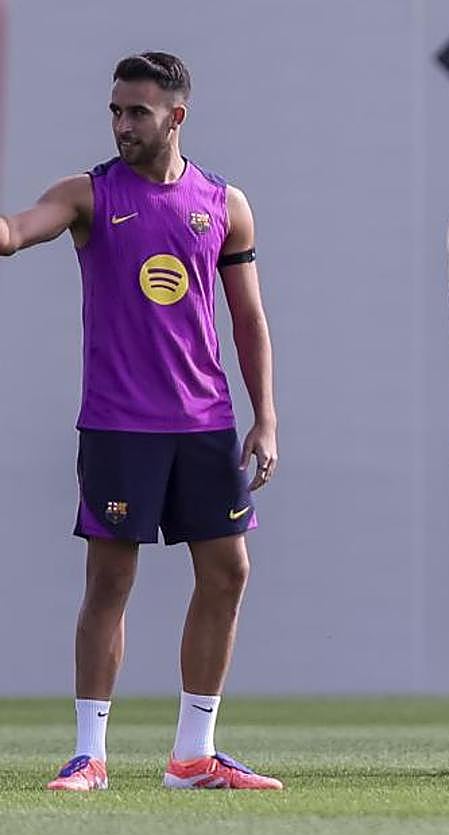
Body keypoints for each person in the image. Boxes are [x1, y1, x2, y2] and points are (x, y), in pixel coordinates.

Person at [0, 52, 282, 791]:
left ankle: (193, 756)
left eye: (139, 112)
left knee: (229, 572)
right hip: (120, 424)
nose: (124, 124)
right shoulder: (89, 194)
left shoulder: (224, 202)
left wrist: (266, 418)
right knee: (110, 580)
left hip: (205, 422)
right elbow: (15, 231)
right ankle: (89, 754)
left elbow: (247, 319)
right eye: (116, 112)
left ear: (176, 117)